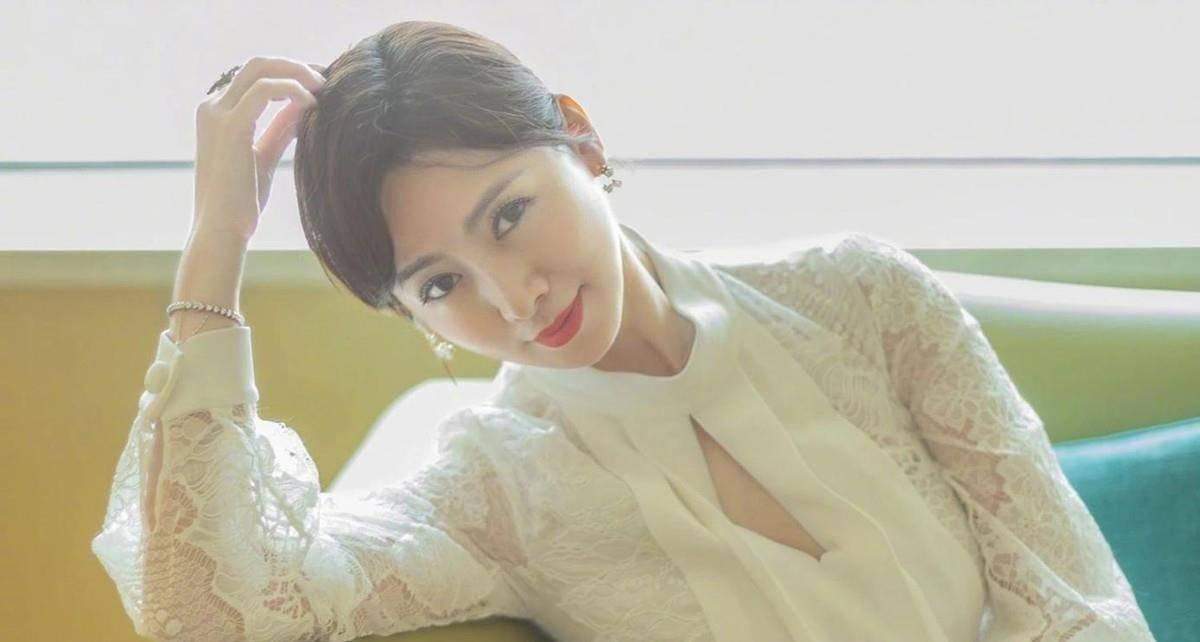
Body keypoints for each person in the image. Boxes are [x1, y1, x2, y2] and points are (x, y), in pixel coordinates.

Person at [91, 20, 1156, 642]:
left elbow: (1077, 604)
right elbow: (210, 616)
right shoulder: (496, 492)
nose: (513, 299)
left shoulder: (864, 300)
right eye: (441, 284)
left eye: (509, 214)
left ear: (583, 144)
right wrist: (217, 242)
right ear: (413, 316)